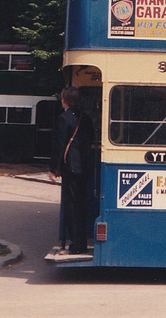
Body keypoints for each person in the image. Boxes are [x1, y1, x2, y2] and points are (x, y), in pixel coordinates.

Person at [49, 86, 94, 255]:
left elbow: (59, 145)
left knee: (72, 207)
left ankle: (76, 245)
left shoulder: (64, 118)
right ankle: (79, 242)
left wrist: (54, 169)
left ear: (64, 100)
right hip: (84, 167)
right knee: (80, 206)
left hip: (71, 168)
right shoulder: (85, 118)